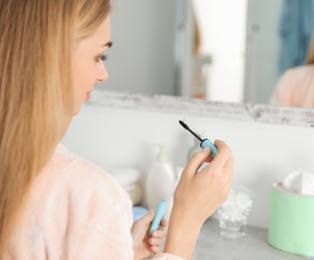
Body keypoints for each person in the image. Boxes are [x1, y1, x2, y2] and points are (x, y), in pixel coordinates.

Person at [0, 0, 234, 259]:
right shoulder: (90, 197)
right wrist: (186, 223)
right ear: (52, 56)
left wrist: (116, 248)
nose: (103, 74)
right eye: (100, 56)